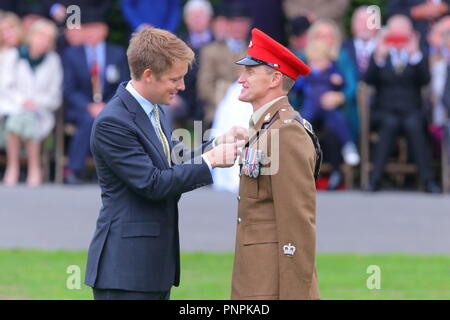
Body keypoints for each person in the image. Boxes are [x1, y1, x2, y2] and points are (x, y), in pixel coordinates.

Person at [84, 27, 248, 300]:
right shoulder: (113, 122)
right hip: (125, 272)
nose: (182, 86)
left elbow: (177, 158)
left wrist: (219, 144)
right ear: (148, 75)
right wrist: (211, 162)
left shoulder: (153, 108)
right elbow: (153, 183)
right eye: (175, 78)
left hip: (152, 267)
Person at [231, 28, 321, 300]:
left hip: (271, 285)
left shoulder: (285, 133)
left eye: (250, 71)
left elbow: (298, 224)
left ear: (275, 78)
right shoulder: (267, 128)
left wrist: (294, 294)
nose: (240, 79)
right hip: (258, 277)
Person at [364, 15, 441, 193]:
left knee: (414, 126)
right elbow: (368, 80)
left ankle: (427, 180)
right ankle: (375, 179)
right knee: (389, 125)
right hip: (386, 111)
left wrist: (415, 55)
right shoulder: (380, 53)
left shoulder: (417, 53)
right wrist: (379, 57)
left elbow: (425, 80)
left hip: (411, 110)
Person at [62, 13, 129, 184]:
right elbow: (69, 89)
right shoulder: (71, 54)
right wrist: (88, 106)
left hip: (110, 105)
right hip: (80, 108)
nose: (90, 33)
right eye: (87, 29)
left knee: (111, 120)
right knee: (88, 120)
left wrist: (107, 105)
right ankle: (74, 169)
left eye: (95, 28)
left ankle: (117, 171)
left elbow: (123, 85)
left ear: (104, 30)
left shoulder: (117, 53)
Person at [0, 18, 62, 187]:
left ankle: (22, 167)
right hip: (14, 106)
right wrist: (23, 102)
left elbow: (54, 94)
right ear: (32, 36)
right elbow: (6, 86)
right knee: (18, 119)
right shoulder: (14, 55)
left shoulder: (53, 60)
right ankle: (24, 166)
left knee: (28, 118)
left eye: (48, 39)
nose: (43, 42)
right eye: (41, 37)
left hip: (41, 110)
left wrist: (36, 103)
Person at [298, 40, 360, 189]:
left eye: (321, 60)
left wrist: (338, 82)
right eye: (314, 61)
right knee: (302, 122)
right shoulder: (307, 73)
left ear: (328, 60)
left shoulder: (332, 71)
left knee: (337, 120)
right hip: (311, 107)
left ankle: (348, 145)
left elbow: (343, 82)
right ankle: (295, 147)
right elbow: (296, 85)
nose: (317, 64)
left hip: (328, 107)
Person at [198, 1, 252, 128]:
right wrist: (226, 103)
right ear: (227, 24)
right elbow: (204, 86)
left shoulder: (255, 51)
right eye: (234, 22)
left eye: (242, 22)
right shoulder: (211, 51)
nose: (238, 27)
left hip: (249, 109)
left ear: (248, 24)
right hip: (218, 108)